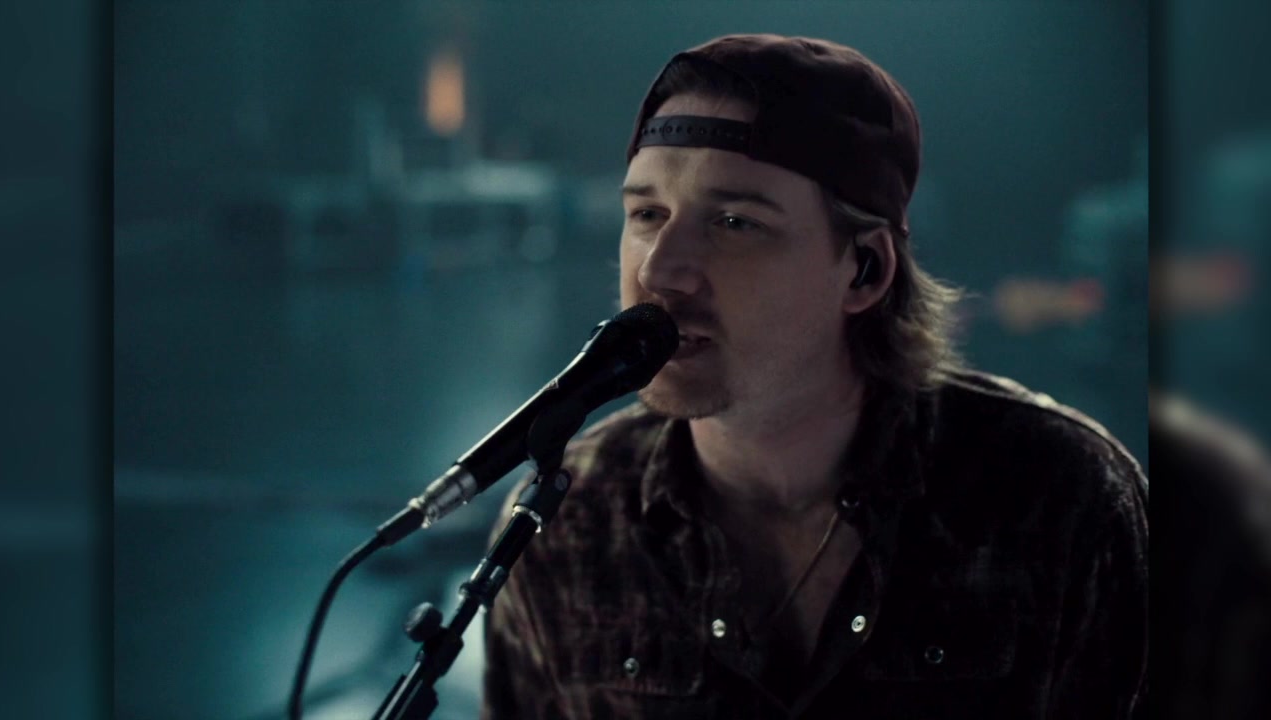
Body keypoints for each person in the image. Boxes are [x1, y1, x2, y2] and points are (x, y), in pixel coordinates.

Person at [481, 34, 1148, 719]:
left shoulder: (1064, 503)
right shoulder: (567, 522)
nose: (658, 270)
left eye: (734, 221)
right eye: (647, 215)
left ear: (865, 270)